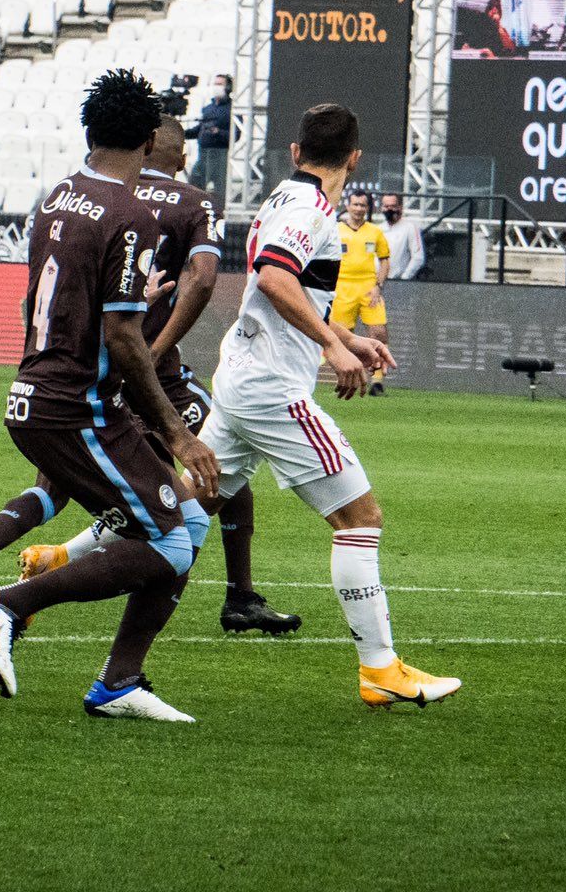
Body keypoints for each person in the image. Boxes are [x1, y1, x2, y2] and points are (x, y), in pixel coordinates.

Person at [0, 70, 221, 723]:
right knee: (173, 544)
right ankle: (5, 605)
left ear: (90, 131)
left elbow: (43, 299)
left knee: (187, 521)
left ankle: (120, 681)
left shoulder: (56, 197)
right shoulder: (130, 216)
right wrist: (177, 433)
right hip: (79, 408)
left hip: (33, 392)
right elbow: (124, 340)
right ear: (151, 139)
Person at [199, 104, 460, 709]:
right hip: (270, 389)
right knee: (360, 519)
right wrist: (333, 347)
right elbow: (271, 278)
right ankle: (380, 669)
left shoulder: (284, 199)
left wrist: (346, 340)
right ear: (355, 160)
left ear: (294, 152)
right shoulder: (309, 208)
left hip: (245, 377)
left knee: (184, 507)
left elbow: (277, 283)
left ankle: (48, 569)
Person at [13, 117, 301, 637]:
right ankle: (232, 597)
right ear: (182, 155)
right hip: (151, 373)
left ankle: (54, 566)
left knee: (144, 487)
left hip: (81, 375)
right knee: (201, 480)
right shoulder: (194, 201)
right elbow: (204, 277)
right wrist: (157, 347)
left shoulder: (82, 196)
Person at [330, 191, 392, 397]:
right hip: (342, 288)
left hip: (368, 289)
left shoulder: (375, 232)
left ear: (367, 209)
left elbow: (384, 259)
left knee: (379, 333)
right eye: (355, 204)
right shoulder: (335, 230)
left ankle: (377, 380)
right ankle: (346, 380)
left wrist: (378, 285)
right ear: (347, 206)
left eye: (362, 205)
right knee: (342, 338)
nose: (358, 209)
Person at [186, 74, 230, 197]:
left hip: (219, 155)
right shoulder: (208, 108)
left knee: (218, 189)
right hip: (203, 154)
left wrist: (218, 132)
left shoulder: (231, 109)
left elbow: (235, 136)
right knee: (194, 182)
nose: (216, 87)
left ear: (228, 87)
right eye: (215, 84)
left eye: (220, 84)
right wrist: (184, 133)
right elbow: (200, 128)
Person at [379, 193, 426, 281]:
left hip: (399, 282)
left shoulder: (410, 227)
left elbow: (418, 257)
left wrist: (404, 278)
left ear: (400, 207)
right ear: (382, 208)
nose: (389, 209)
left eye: (393, 206)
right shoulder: (378, 229)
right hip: (377, 282)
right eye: (386, 206)